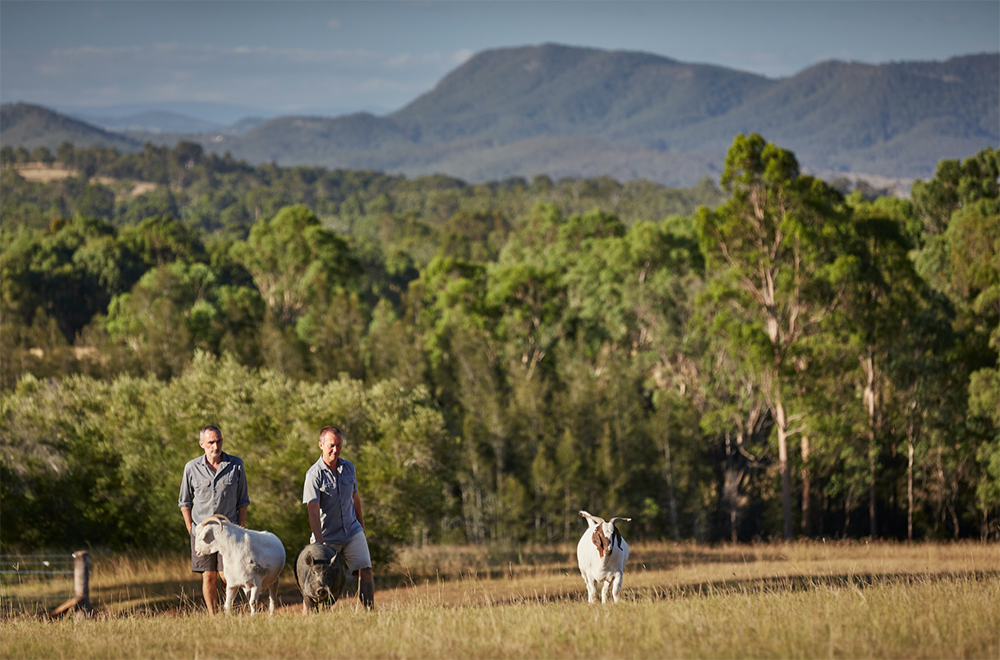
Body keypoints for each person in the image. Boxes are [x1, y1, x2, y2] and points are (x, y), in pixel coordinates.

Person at [178, 425, 249, 615]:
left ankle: (229, 612)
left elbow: (243, 501)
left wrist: (240, 528)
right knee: (208, 576)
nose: (215, 446)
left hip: (229, 531)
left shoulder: (236, 465)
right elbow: (184, 502)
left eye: (219, 441)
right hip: (203, 532)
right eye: (211, 442)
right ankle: (213, 616)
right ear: (202, 444)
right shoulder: (191, 468)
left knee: (227, 575)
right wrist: (191, 529)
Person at [302, 426, 374, 609]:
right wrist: (318, 541)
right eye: (331, 446)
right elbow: (312, 509)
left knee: (365, 568)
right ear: (321, 445)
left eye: (339, 445)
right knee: (316, 580)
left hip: (351, 530)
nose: (336, 450)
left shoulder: (349, 467)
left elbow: (355, 499)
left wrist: (362, 529)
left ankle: (369, 612)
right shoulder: (313, 475)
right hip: (326, 536)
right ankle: (309, 617)